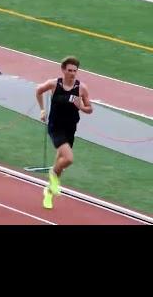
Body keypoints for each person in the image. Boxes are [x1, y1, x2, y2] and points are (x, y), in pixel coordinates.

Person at [36, 56, 93, 210]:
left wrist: (80, 106)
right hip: (56, 127)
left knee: (60, 164)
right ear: (63, 70)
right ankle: (52, 173)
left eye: (75, 71)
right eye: (69, 70)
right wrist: (42, 110)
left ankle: (49, 193)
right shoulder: (54, 84)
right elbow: (38, 90)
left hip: (70, 128)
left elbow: (90, 109)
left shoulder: (81, 88)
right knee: (68, 159)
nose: (72, 73)